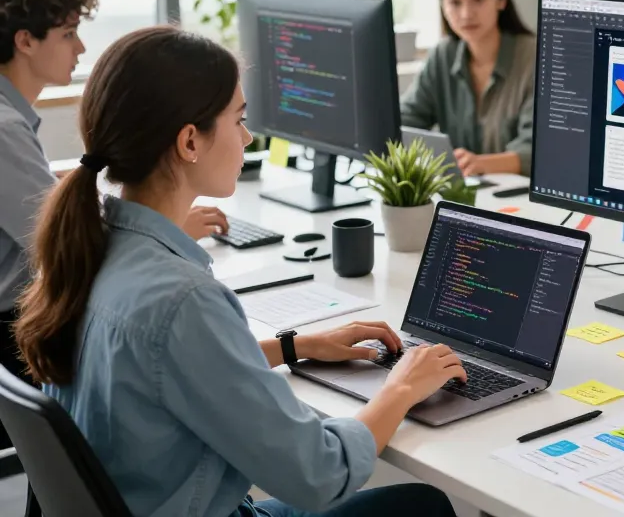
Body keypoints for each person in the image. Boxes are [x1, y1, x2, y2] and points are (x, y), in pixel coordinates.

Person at [14, 26, 464, 517]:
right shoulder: (182, 299)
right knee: (423, 505)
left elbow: (163, 366)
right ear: (190, 141)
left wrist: (294, 346)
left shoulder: (91, 249)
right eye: (239, 120)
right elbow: (320, 474)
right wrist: (402, 386)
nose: (248, 138)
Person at [0, 0, 229, 386]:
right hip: (15, 339)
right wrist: (165, 231)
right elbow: (58, 241)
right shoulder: (4, 129)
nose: (81, 47)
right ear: (25, 41)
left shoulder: (12, 119)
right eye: (68, 34)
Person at [401, 0, 535, 176]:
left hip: (520, 192)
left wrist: (481, 164)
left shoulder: (535, 57)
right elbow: (405, 121)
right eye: (454, 2)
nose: (466, 14)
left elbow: (540, 149)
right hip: (464, 190)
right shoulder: (443, 55)